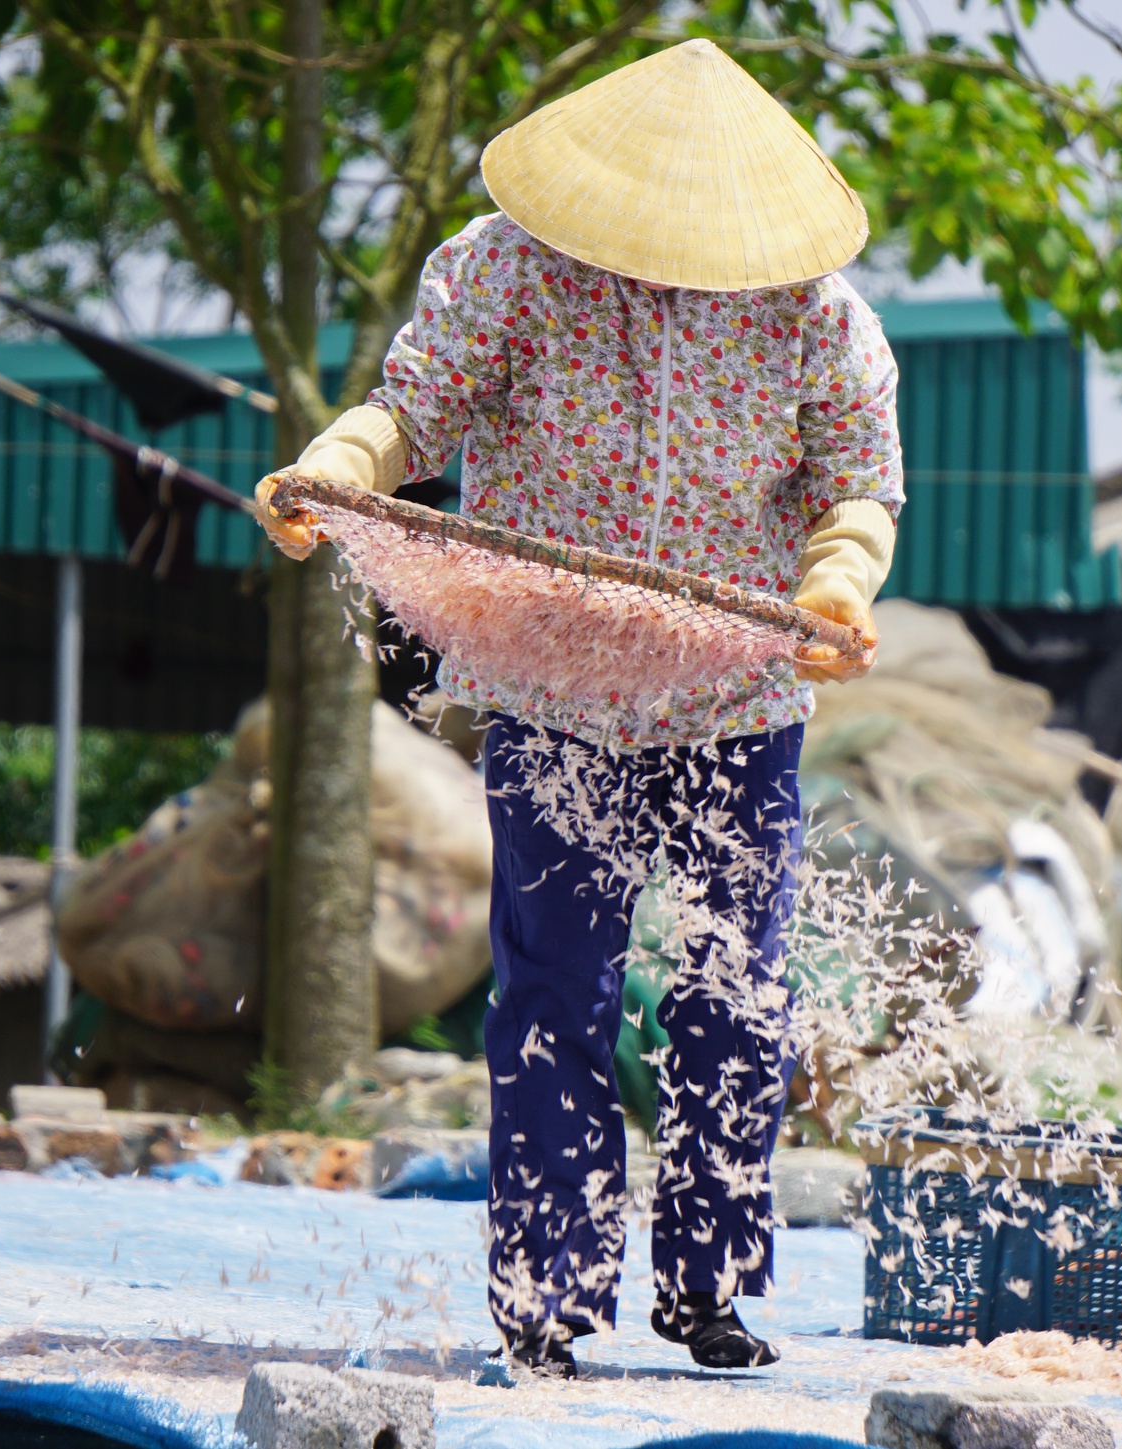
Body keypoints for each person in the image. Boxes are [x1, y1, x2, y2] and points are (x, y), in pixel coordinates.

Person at [251, 40, 900, 1378]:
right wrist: (328, 467)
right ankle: (546, 1294)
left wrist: (837, 587)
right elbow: (408, 414)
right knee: (554, 992)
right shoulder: (503, 267)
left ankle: (712, 1287)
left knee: (737, 992)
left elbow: (857, 484)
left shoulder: (816, 312)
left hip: (738, 691)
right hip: (554, 686)